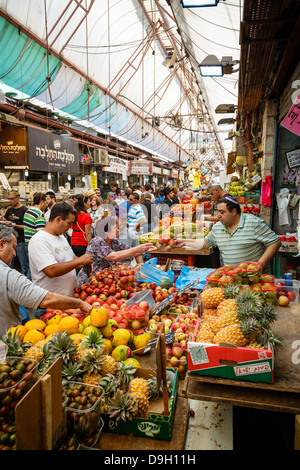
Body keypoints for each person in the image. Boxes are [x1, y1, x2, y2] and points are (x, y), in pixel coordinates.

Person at [0, 225, 92, 335]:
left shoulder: (61, 237)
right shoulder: (7, 275)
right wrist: (80, 304)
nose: (15, 254)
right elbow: (46, 299)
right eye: (13, 247)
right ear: (1, 244)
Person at [175, 196, 281, 273]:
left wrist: (259, 265)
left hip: (256, 280)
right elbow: (205, 243)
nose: (218, 216)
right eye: (218, 212)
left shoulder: (254, 223)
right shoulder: (218, 227)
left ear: (234, 212)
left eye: (222, 212)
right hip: (231, 280)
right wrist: (184, 242)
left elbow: (275, 242)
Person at [28, 202, 93, 317]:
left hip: (67, 302)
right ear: (58, 219)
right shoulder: (39, 240)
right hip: (50, 306)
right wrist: (79, 261)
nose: (71, 227)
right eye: (69, 223)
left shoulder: (61, 236)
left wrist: (83, 262)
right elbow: (51, 270)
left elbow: (70, 258)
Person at [77, 216, 155, 285]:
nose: (118, 230)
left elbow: (129, 250)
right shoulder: (97, 241)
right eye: (115, 228)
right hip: (90, 281)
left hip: (104, 280)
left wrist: (145, 248)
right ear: (106, 231)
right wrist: (137, 249)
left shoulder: (114, 241)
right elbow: (114, 256)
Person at [0, 190, 30, 279]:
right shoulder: (9, 210)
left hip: (21, 242)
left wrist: (14, 225)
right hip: (8, 242)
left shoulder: (25, 210)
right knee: (7, 265)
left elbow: (27, 227)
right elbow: (4, 219)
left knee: (24, 266)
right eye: (9, 199)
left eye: (12, 199)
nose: (10, 201)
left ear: (18, 198)